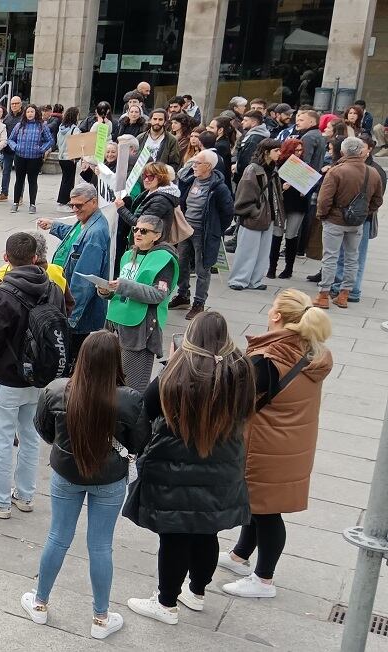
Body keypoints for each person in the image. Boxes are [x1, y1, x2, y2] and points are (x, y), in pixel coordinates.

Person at [125, 311, 255, 625]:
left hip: (176, 468)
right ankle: (196, 592)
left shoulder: (179, 370)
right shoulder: (241, 370)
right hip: (223, 465)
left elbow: (145, 408)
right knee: (207, 531)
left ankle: (166, 602)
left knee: (174, 536)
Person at [23, 331, 147, 639]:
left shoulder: (56, 391)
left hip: (67, 474)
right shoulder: (130, 400)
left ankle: (40, 603)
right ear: (116, 361)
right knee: (101, 545)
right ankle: (101, 618)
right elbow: (139, 442)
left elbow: (45, 431)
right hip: (109, 479)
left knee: (58, 536)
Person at [218, 289, 332, 599]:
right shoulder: (309, 349)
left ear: (278, 316)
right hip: (288, 443)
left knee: (267, 512)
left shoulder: (271, 358)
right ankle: (240, 555)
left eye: (272, 307)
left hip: (267, 445)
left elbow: (236, 398)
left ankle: (263, 580)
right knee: (259, 504)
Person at [0, 233, 67, 519]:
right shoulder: (53, 289)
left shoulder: (2, 294)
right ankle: (25, 495)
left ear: (6, 258)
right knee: (30, 437)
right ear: (36, 257)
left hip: (6, 377)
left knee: (1, 440)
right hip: (39, 377)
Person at [97, 214, 178, 391]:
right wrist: (107, 291)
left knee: (133, 386)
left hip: (140, 330)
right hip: (116, 325)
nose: (138, 233)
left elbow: (158, 294)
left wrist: (123, 286)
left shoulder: (164, 259)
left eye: (144, 231)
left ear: (157, 235)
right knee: (112, 382)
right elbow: (122, 291)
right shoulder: (128, 254)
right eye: (136, 229)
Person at [40, 184, 112, 363]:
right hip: (69, 304)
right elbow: (73, 235)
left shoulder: (96, 233)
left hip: (79, 316)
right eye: (71, 205)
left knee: (72, 360)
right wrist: (54, 226)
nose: (74, 209)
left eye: (78, 206)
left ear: (94, 202)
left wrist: (70, 318)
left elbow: (84, 282)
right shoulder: (86, 221)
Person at [313, 137, 382, 308]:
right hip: (356, 222)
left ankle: (323, 295)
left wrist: (322, 215)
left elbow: (324, 199)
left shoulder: (336, 171)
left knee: (330, 257)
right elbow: (377, 200)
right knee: (353, 258)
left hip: (334, 220)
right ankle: (344, 294)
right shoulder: (372, 172)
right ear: (361, 152)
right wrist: (365, 212)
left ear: (343, 152)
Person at [170, 150, 232, 320]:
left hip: (203, 233)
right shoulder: (191, 180)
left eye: (198, 163)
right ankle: (183, 295)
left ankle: (199, 303)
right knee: (181, 263)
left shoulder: (219, 188)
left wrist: (215, 230)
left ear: (209, 166)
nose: (194, 166)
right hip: (186, 230)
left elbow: (228, 212)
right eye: (194, 162)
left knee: (201, 269)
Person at [227, 139, 284, 291]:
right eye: (276, 150)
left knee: (262, 252)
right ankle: (239, 279)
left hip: (268, 215)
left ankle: (255, 280)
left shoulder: (272, 168)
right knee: (247, 249)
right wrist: (253, 211)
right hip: (255, 215)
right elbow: (244, 195)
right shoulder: (253, 169)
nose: (280, 153)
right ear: (266, 152)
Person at [270, 138, 309, 279]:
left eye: (300, 150)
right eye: (296, 150)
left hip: (297, 205)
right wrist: (282, 187)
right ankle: (271, 267)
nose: (299, 153)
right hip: (281, 203)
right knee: (276, 234)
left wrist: (306, 191)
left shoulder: (304, 165)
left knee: (291, 236)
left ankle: (288, 269)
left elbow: (310, 184)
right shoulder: (278, 164)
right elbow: (271, 186)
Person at [8, 104, 54, 213]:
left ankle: (32, 204)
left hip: (35, 158)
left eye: (32, 112)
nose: (30, 114)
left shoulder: (42, 126)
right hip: (20, 157)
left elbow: (50, 140)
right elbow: (10, 139)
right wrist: (16, 147)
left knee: (32, 181)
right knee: (19, 180)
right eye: (28, 112)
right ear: (25, 113)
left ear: (36, 113)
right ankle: (15, 203)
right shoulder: (19, 125)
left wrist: (42, 149)